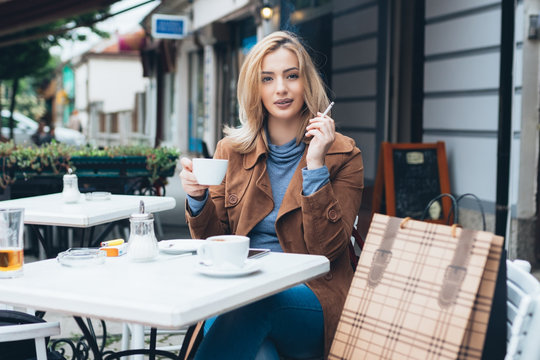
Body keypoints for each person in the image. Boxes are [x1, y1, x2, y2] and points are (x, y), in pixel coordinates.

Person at [180, 31, 364, 359]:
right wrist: (197, 199)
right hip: (238, 293)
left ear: (306, 82)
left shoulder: (343, 155)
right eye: (268, 78)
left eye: (291, 75)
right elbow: (212, 244)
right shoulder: (230, 151)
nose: (281, 88)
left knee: (256, 303)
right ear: (256, 88)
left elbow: (328, 251)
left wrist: (316, 165)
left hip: (312, 298)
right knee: (261, 352)